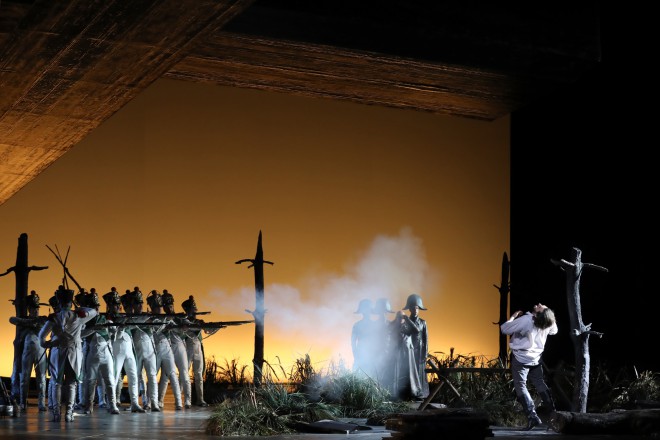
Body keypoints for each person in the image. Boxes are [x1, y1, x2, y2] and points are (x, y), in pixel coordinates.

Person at [38, 285, 98, 422]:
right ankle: (69, 413)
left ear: (59, 303)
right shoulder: (79, 316)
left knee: (56, 383)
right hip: (74, 353)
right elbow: (94, 312)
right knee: (71, 384)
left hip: (57, 352)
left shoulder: (54, 317)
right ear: (71, 303)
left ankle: (56, 414)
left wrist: (48, 344)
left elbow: (41, 337)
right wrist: (80, 309)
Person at [500, 303, 558, 430]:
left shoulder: (526, 320)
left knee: (520, 385)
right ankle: (553, 413)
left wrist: (513, 317)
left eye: (541, 307)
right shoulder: (547, 322)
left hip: (521, 359)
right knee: (540, 383)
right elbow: (554, 331)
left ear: (538, 314)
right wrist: (549, 316)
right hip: (535, 359)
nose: (539, 304)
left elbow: (504, 329)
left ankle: (532, 417)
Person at [79, 290, 120, 415]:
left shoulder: (105, 318)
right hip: (91, 353)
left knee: (110, 380)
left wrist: (112, 326)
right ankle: (88, 406)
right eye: (94, 307)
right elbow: (80, 335)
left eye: (97, 307)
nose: (96, 309)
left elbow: (113, 332)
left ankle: (112, 405)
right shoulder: (84, 321)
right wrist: (93, 329)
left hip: (105, 353)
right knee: (90, 381)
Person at [8, 290, 48, 412]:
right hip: (26, 352)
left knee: (41, 378)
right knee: (24, 377)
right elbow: (12, 319)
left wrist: (32, 323)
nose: (36, 311)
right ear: (29, 309)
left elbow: (45, 324)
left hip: (40, 352)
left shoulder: (43, 319)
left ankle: (41, 403)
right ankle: (22, 402)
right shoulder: (25, 319)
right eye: (33, 309)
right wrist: (29, 322)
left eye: (37, 309)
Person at [146, 290, 183, 410]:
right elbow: (153, 328)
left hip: (166, 347)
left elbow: (178, 329)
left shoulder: (167, 318)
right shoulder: (149, 319)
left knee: (172, 374)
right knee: (152, 375)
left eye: (160, 307)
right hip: (154, 349)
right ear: (153, 308)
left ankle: (179, 403)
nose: (160, 309)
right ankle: (149, 402)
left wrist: (180, 325)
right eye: (157, 307)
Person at [110, 289, 145, 412]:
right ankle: (112, 403)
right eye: (115, 305)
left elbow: (136, 323)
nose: (117, 307)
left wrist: (146, 317)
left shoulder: (124, 317)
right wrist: (121, 328)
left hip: (129, 349)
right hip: (117, 348)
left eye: (118, 305)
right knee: (114, 377)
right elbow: (114, 335)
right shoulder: (109, 319)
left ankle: (134, 403)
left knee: (133, 376)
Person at [181, 295, 218, 407]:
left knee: (199, 375)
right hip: (186, 348)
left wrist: (214, 327)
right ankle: (184, 400)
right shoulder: (183, 322)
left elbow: (207, 330)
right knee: (184, 374)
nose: (194, 312)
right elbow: (181, 334)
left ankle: (200, 400)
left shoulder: (199, 321)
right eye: (192, 310)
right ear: (187, 311)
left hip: (197, 348)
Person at [129, 287, 161, 411]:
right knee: (136, 377)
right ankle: (136, 403)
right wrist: (144, 319)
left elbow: (158, 326)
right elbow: (131, 326)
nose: (140, 306)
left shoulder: (148, 316)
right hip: (136, 351)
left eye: (141, 303)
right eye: (138, 304)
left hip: (149, 350)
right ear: (133, 305)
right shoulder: (131, 318)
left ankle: (154, 403)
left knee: (152, 377)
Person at [159, 290, 192, 409]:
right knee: (164, 376)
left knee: (184, 373)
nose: (169, 308)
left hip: (178, 345)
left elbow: (187, 325)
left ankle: (187, 400)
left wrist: (184, 325)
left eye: (170, 305)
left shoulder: (179, 316)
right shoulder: (162, 318)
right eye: (166, 306)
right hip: (167, 347)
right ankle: (160, 400)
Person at [392, 293, 429, 401]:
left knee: (420, 372)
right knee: (409, 372)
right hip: (408, 351)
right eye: (413, 308)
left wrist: (425, 353)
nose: (415, 310)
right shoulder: (406, 321)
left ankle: (421, 394)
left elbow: (425, 339)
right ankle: (409, 393)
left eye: (417, 308)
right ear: (410, 309)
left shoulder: (423, 322)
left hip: (420, 350)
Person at [371, 297, 396, 391]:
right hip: (376, 354)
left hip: (390, 354)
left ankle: (388, 393)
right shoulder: (373, 325)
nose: (383, 313)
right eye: (381, 311)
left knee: (389, 375)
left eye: (385, 311)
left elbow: (395, 339)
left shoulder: (392, 324)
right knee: (376, 374)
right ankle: (376, 392)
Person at [351, 298, 376, 377]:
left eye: (367, 310)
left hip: (372, 354)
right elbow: (353, 342)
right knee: (358, 375)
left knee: (372, 375)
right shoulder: (357, 325)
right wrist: (355, 353)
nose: (366, 312)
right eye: (364, 310)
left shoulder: (375, 325)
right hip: (360, 353)